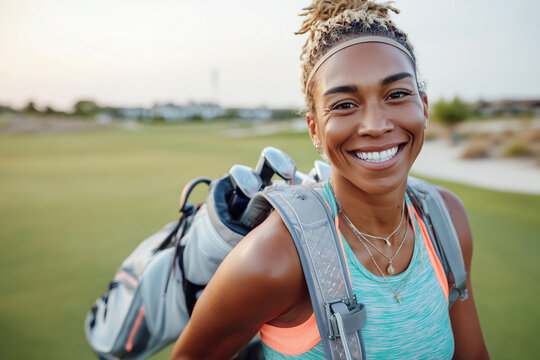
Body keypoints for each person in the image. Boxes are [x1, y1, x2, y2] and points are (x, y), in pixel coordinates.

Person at [170, 1, 489, 359]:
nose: (375, 124)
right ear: (314, 130)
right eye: (344, 105)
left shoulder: (445, 219)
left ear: (424, 107)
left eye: (397, 94)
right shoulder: (275, 257)